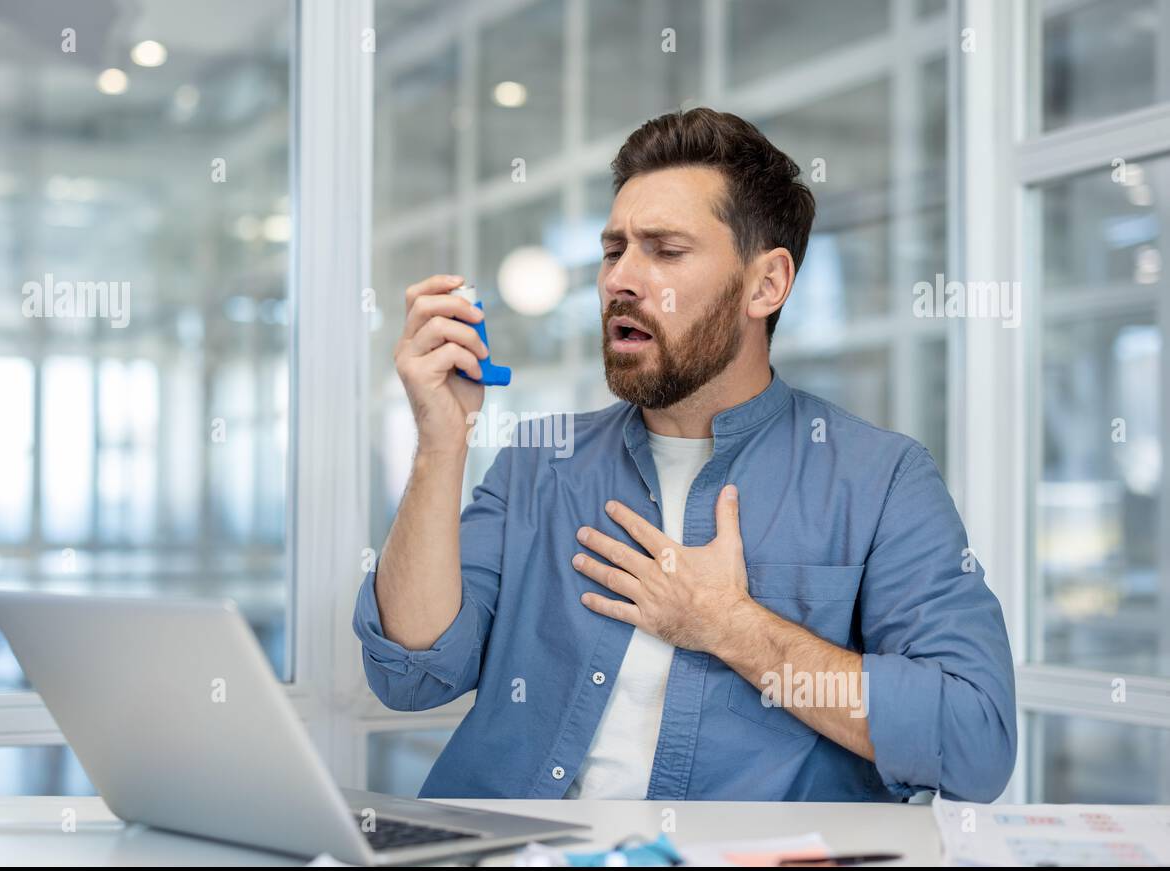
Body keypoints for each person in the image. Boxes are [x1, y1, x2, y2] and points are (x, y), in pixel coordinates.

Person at [352, 107, 1016, 803]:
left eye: (665, 250)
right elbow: (410, 673)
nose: (619, 280)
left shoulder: (880, 480)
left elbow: (976, 739)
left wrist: (732, 627)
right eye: (614, 251)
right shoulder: (536, 464)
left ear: (767, 285)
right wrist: (440, 442)